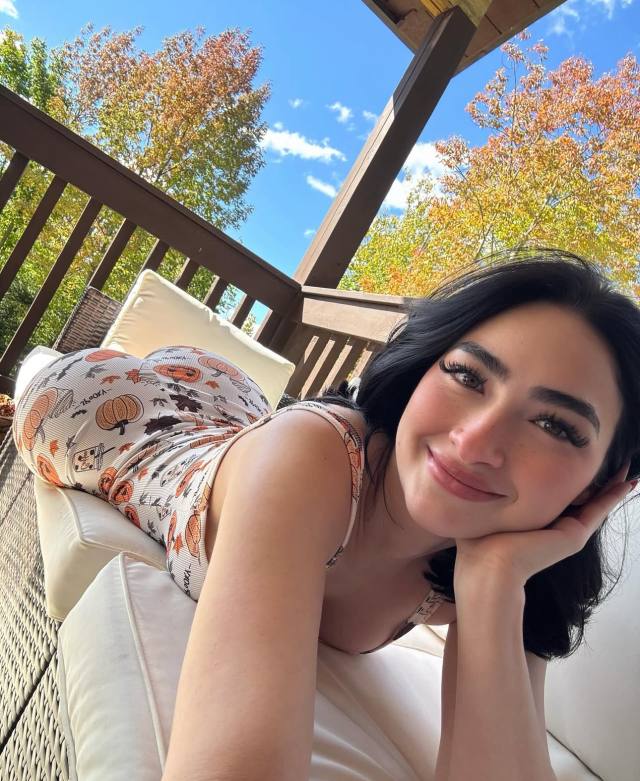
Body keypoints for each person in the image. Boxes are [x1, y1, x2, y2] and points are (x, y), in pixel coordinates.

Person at [12, 249, 640, 780]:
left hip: (240, 415)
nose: (476, 442)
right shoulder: (313, 461)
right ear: (425, 366)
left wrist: (493, 587)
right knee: (56, 377)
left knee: (254, 425)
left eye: (556, 426)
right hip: (107, 408)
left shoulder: (520, 565)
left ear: (601, 485)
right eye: (468, 376)